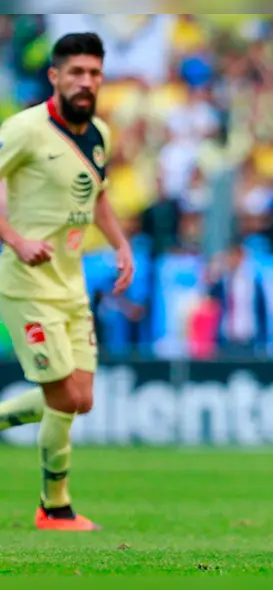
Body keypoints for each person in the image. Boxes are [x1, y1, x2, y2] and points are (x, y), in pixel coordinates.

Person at [0, 32, 134, 531]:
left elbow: (97, 195)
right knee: (61, 399)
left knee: (81, 398)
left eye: (94, 73)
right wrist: (14, 238)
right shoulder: (25, 130)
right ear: (54, 76)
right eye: (75, 72)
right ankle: (54, 507)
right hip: (26, 281)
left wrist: (121, 243)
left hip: (71, 284)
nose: (86, 81)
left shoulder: (98, 131)